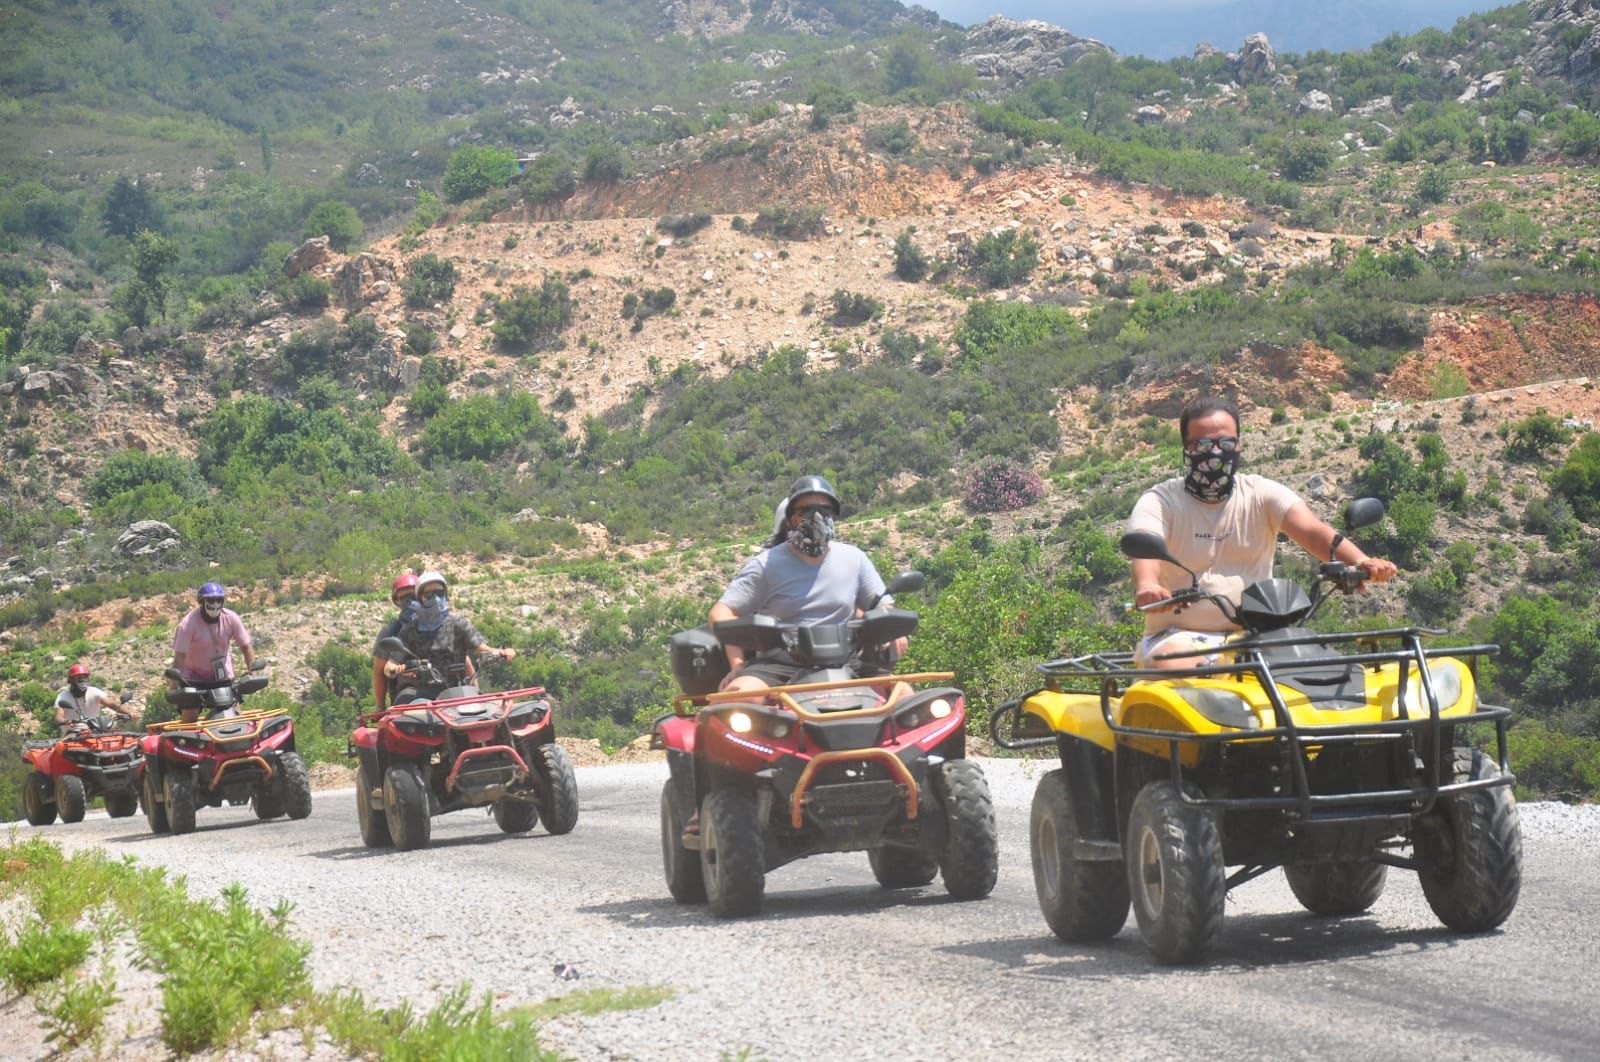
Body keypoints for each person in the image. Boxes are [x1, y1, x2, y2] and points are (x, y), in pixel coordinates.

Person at [1128, 396, 1398, 670]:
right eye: (1204, 445)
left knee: (1333, 674)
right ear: (1186, 448)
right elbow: (1146, 544)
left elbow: (1314, 532)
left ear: (1239, 445)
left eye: (1226, 443)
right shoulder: (1161, 501)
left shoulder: (1261, 494)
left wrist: (1361, 561)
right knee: (1179, 668)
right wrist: (1148, 586)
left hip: (1259, 636)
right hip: (1176, 638)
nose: (1216, 453)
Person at [711, 475, 906, 694]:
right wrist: (738, 665)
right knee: (740, 697)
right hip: (780, 665)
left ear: (834, 515)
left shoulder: (854, 558)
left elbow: (882, 607)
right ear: (792, 518)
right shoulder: (766, 565)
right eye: (806, 510)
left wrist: (891, 629)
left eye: (825, 509)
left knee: (902, 694)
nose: (816, 517)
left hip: (844, 661)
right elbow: (721, 613)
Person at [379, 571, 517, 701]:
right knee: (416, 718)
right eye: (429, 594)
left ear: (446, 594)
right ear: (420, 598)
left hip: (460, 692)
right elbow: (390, 665)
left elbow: (481, 648)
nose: (435, 599)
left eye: (439, 593)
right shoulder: (410, 630)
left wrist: (503, 652)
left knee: (489, 713)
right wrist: (394, 668)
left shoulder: (458, 624)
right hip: (426, 696)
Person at [170, 581, 256, 722]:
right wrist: (173, 686)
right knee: (189, 718)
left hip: (221, 676)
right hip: (193, 678)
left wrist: (253, 673)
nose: (215, 603)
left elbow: (246, 647)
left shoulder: (231, 618)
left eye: (218, 599)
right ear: (201, 601)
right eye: (210, 600)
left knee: (235, 715)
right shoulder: (187, 624)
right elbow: (179, 656)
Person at [371, 571, 420, 713]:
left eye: (413, 595)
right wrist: (380, 705)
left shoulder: (437, 626)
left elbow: (462, 659)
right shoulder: (390, 632)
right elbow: (379, 671)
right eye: (404, 597)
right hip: (407, 694)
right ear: (397, 601)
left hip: (442, 687)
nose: (410, 601)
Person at [55, 663, 137, 733]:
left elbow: (113, 705)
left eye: (85, 677)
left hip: (95, 731)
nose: (82, 680)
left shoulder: (94, 692)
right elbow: (59, 717)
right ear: (71, 680)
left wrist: (129, 713)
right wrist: (66, 721)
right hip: (73, 733)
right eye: (79, 678)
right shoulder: (63, 696)